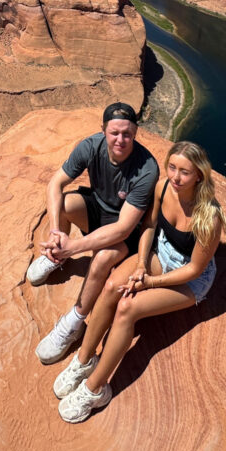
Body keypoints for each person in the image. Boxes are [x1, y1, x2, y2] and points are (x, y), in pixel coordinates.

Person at [53, 140, 226, 423]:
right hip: (160, 253)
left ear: (199, 175)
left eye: (185, 172)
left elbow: (195, 268)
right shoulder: (163, 187)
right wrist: (142, 265)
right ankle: (84, 360)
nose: (176, 177)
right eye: (172, 167)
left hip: (189, 278)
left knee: (127, 309)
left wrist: (151, 283)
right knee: (111, 287)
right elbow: (148, 226)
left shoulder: (209, 216)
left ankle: (95, 388)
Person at [26, 102, 160, 365]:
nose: (120, 139)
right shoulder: (90, 146)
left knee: (100, 259)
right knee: (65, 204)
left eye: (127, 134)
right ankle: (57, 256)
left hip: (126, 231)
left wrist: (74, 246)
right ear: (103, 130)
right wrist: (56, 233)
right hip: (98, 210)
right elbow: (56, 183)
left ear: (135, 133)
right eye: (114, 133)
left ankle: (75, 322)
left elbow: (123, 228)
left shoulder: (146, 169)